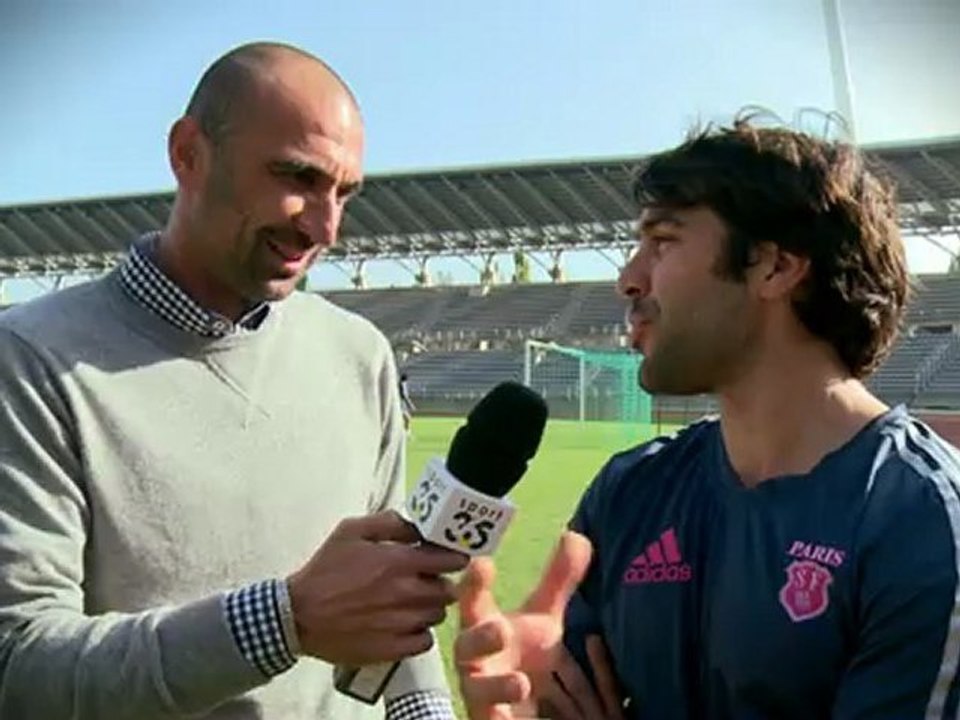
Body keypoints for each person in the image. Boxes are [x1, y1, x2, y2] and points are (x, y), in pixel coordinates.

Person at [0, 42, 466, 719]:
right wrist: (282, 621)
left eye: (343, 192)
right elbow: (20, 666)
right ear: (188, 153)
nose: (325, 225)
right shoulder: (32, 359)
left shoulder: (359, 355)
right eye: (297, 177)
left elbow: (386, 611)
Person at [453, 115, 960, 719]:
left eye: (663, 241)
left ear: (773, 267)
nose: (627, 279)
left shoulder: (920, 519)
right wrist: (523, 706)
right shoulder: (631, 490)